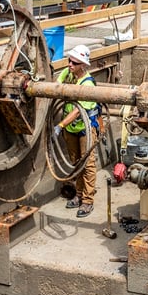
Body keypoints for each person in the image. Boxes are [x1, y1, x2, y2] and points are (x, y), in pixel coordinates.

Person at [53, 45, 100, 218]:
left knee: (87, 164)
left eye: (74, 62)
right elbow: (57, 87)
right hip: (71, 129)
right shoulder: (68, 74)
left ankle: (87, 201)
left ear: (82, 65)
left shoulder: (88, 84)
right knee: (76, 162)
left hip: (84, 129)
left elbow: (77, 111)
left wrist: (60, 126)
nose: (69, 64)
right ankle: (79, 194)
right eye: (69, 61)